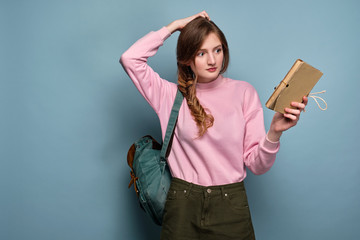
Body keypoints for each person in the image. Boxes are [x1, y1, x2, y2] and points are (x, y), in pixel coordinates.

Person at [120, 11, 307, 240]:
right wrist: (175, 26)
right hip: (182, 205)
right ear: (187, 59)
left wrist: (274, 133)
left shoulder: (244, 93)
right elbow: (130, 59)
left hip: (231, 205)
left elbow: (257, 166)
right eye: (201, 53)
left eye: (217, 50)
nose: (212, 60)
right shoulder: (169, 95)